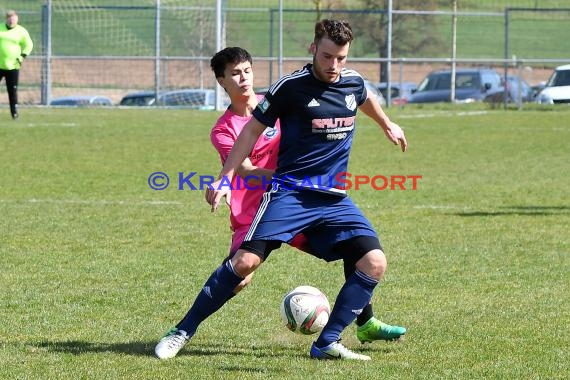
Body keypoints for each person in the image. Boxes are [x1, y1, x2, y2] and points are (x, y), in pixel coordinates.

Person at [156, 19, 407, 361]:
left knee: (373, 262)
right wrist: (226, 177)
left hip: (333, 198)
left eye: (341, 58)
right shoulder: (289, 88)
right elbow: (249, 133)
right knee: (244, 264)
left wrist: (387, 123)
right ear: (313, 49)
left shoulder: (353, 82)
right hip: (289, 194)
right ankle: (182, 330)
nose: (334, 65)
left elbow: (363, 99)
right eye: (328, 56)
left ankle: (327, 343)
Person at [0, 10, 33, 120]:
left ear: (17, 19)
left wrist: (22, 56)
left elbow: (29, 45)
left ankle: (14, 113)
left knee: (12, 91)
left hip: (13, 66)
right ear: (6, 19)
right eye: (9, 18)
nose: (11, 20)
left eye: (13, 18)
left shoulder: (21, 31)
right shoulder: (0, 28)